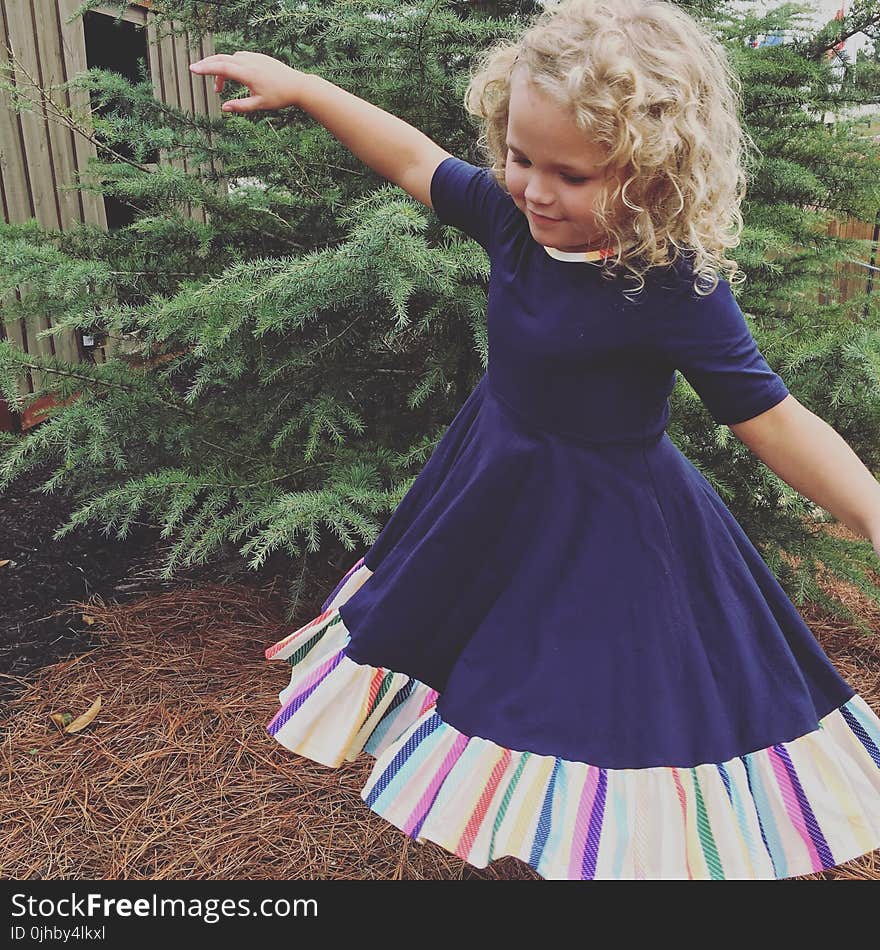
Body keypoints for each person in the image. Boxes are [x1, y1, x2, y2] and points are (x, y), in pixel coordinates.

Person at [189, 0, 880, 880]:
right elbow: (411, 156)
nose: (535, 189)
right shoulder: (513, 220)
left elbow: (771, 415)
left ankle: (606, 852)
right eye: (519, 157)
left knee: (582, 695)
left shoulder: (671, 287)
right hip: (493, 483)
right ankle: (525, 835)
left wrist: (870, 510)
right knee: (476, 658)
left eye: (573, 175)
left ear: (652, 175)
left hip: (607, 522)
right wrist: (308, 89)